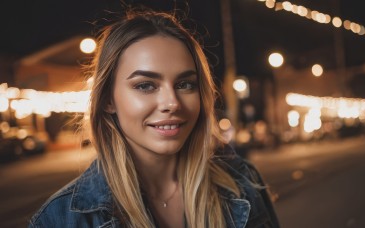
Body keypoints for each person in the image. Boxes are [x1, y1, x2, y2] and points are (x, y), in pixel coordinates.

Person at [29, 9, 280, 228]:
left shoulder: (243, 183)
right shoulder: (61, 219)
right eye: (146, 85)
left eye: (185, 84)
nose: (172, 103)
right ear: (108, 100)